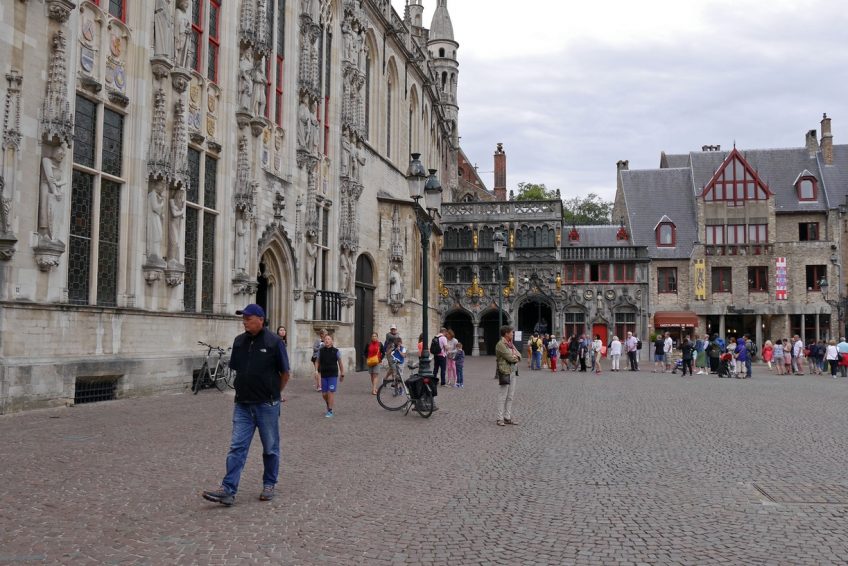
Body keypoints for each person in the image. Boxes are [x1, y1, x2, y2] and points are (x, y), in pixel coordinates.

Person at [202, 304, 290, 506]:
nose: (244, 322)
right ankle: (228, 489)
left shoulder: (274, 342)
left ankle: (269, 484)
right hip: (242, 404)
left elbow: (285, 373)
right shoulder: (239, 341)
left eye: (248, 319)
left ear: (260, 319)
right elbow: (237, 369)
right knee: (237, 447)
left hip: (266, 405)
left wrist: (275, 394)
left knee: (270, 447)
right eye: (243, 319)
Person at [495, 325, 521, 426]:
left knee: (510, 396)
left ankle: (507, 417)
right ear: (506, 334)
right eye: (511, 332)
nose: (513, 334)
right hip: (505, 371)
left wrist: (516, 357)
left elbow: (519, 355)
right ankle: (499, 418)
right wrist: (515, 357)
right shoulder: (501, 344)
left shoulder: (510, 344)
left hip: (513, 371)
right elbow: (510, 358)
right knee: (503, 396)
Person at [316, 333, 344, 417]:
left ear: (332, 341)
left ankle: (330, 411)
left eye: (328, 339)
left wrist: (342, 373)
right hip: (324, 374)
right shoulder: (321, 351)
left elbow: (340, 363)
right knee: (324, 394)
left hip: (333, 374)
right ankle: (329, 403)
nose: (327, 340)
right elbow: (317, 361)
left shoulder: (336, 351)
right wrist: (316, 371)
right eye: (325, 339)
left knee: (330, 392)